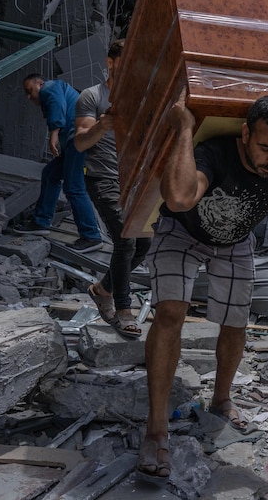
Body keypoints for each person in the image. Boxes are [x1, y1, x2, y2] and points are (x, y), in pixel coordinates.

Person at [137, 91, 268, 479]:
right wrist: (185, 129)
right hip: (181, 232)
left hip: (234, 241)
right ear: (245, 133)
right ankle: (156, 429)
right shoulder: (216, 152)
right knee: (171, 310)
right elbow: (181, 198)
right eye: (265, 147)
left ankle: (221, 400)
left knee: (235, 322)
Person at [74, 39, 151, 338]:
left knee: (143, 244)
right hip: (102, 177)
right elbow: (81, 141)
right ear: (111, 62)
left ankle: (102, 289)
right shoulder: (92, 96)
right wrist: (103, 126)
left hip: (135, 180)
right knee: (125, 241)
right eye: (126, 60)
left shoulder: (141, 97)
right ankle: (124, 309)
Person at [15, 74, 103, 253]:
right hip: (74, 143)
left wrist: (53, 134)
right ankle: (41, 222)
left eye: (29, 91)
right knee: (50, 174)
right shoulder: (55, 89)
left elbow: (58, 106)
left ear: (40, 83)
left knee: (73, 187)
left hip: (77, 142)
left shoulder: (50, 87)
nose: (28, 96)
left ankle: (91, 236)